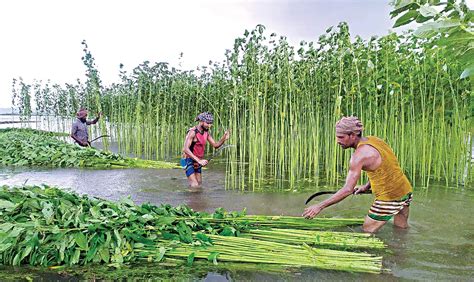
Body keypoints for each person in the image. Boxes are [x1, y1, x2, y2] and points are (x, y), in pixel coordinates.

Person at [302, 116, 413, 233]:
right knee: (400, 231)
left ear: (353, 135)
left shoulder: (358, 156)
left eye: (341, 137)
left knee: (367, 231)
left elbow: (347, 190)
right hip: (405, 190)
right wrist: (366, 187)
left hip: (389, 198)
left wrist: (319, 206)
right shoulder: (376, 141)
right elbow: (386, 167)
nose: (337, 141)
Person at [181, 112, 230, 188]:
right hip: (188, 160)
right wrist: (199, 160)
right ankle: (187, 199)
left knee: (199, 184)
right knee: (195, 185)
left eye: (211, 123)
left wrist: (224, 138)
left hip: (197, 161)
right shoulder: (192, 132)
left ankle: (197, 200)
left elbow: (215, 145)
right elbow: (185, 149)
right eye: (208, 123)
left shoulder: (206, 132)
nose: (209, 125)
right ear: (201, 121)